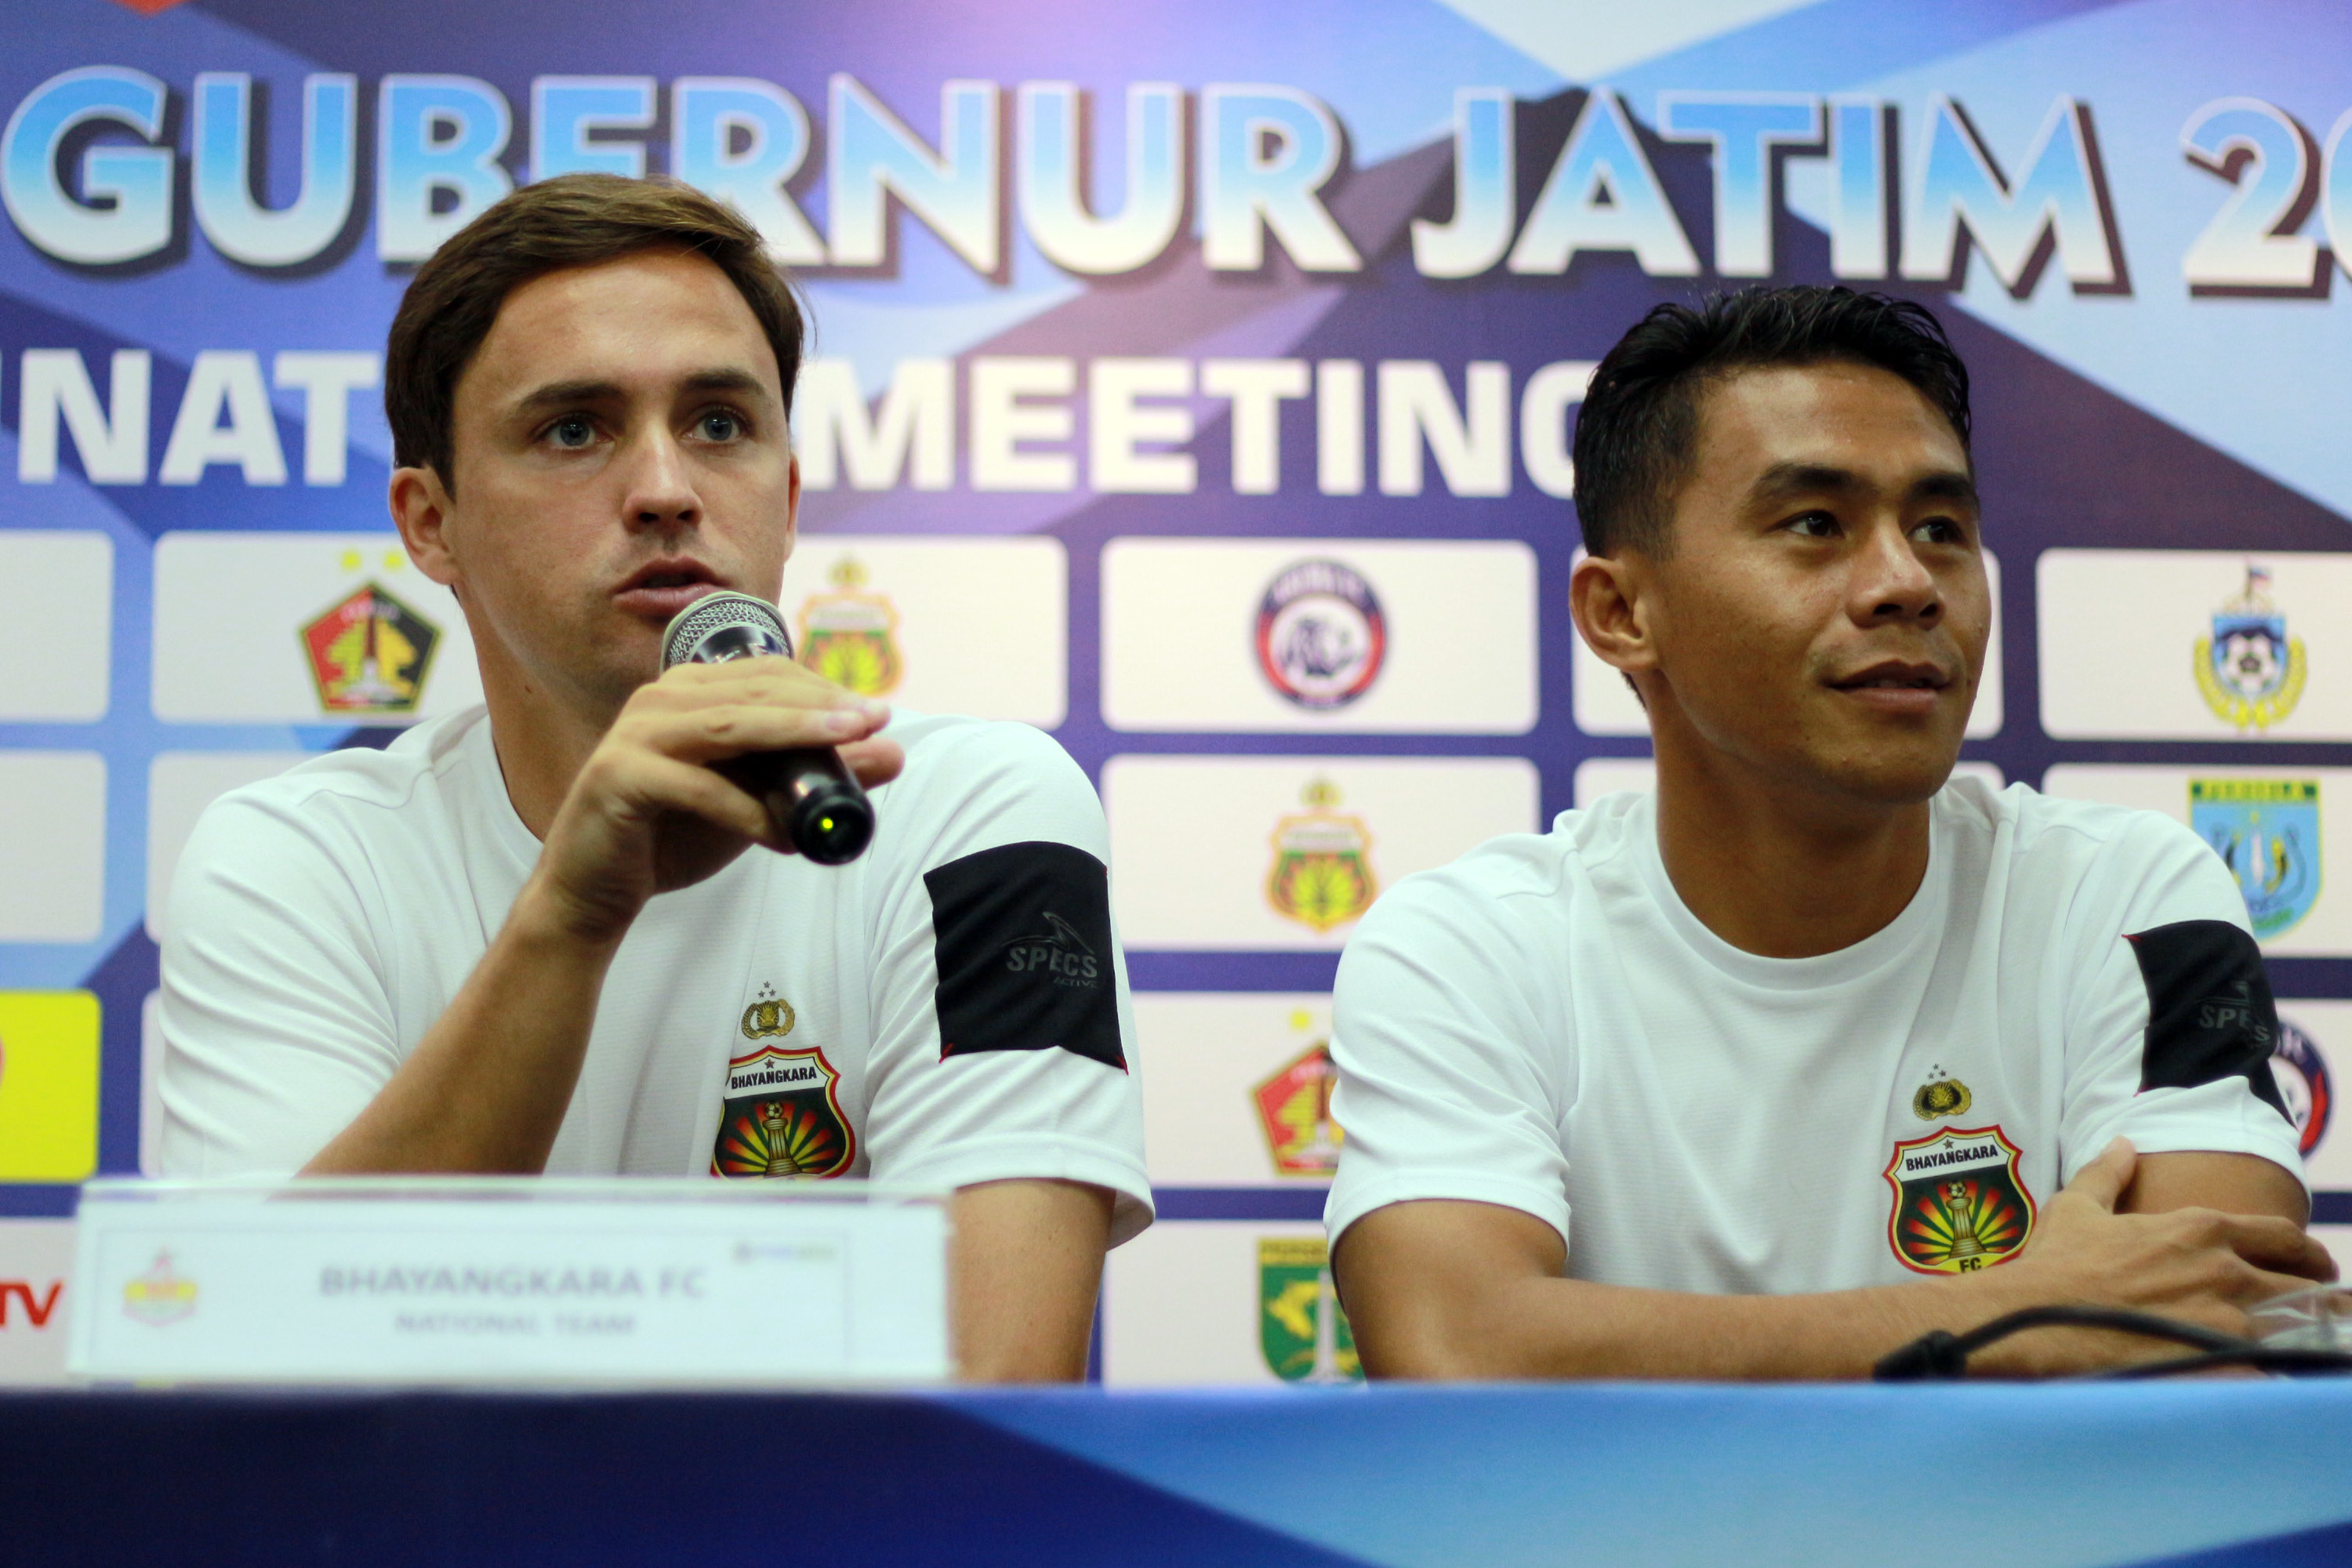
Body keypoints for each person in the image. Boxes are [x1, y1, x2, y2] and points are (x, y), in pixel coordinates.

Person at [157, 174, 1149, 1381]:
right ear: (430, 524)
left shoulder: (978, 815)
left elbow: (994, 1390)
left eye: (721, 423)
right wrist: (570, 921)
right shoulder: (294, 862)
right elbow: (255, 1382)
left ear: (785, 499)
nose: (668, 489)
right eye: (573, 428)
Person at [1325, 285, 2332, 1378]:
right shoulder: (1468, 948)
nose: (1908, 583)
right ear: (1622, 614)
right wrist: (2009, 1317)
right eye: (1816, 524)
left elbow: (2203, 1347)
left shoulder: (2130, 901)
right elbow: (1459, 1356)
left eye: (1941, 529)